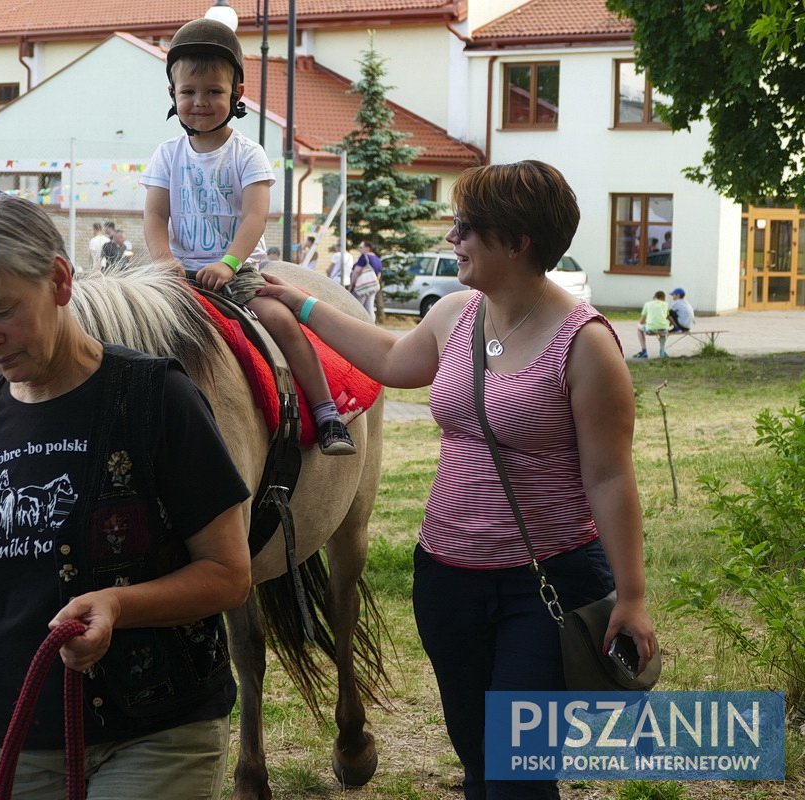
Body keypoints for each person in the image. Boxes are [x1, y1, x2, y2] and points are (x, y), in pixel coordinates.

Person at [256, 160, 658, 800]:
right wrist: (301, 304)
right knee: (477, 762)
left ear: (516, 242)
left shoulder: (586, 345)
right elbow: (390, 359)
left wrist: (632, 596)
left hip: (545, 585)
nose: (453, 239)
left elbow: (610, 478)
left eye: (467, 227)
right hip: (446, 580)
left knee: (515, 777)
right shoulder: (456, 314)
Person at [0, 194, 252, 800]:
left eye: (1, 310)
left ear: (60, 280)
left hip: (155, 729)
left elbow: (228, 574)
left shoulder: (157, 398)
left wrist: (119, 605)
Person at [140, 17, 356, 455]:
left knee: (279, 320)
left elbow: (256, 217)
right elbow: (154, 215)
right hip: (177, 275)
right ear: (172, 95)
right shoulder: (167, 154)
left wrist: (229, 263)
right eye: (189, 92)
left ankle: (326, 411)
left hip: (235, 273)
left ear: (237, 94)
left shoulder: (247, 153)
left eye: (214, 92)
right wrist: (164, 260)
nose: (200, 102)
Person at [349, 241, 382, 319]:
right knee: (369, 308)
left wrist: (352, 285)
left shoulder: (364, 257)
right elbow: (379, 274)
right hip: (372, 287)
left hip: (362, 286)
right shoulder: (377, 259)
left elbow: (356, 271)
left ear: (367, 248)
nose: (359, 249)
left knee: (357, 307)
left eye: (361, 247)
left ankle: (356, 325)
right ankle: (371, 326)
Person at [634, 289, 670, 359]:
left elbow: (641, 321)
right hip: (664, 329)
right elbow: (666, 316)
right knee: (662, 331)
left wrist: (645, 322)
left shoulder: (647, 304)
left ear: (654, 297)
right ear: (664, 298)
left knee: (639, 328)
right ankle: (662, 351)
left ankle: (644, 351)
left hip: (651, 329)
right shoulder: (666, 304)